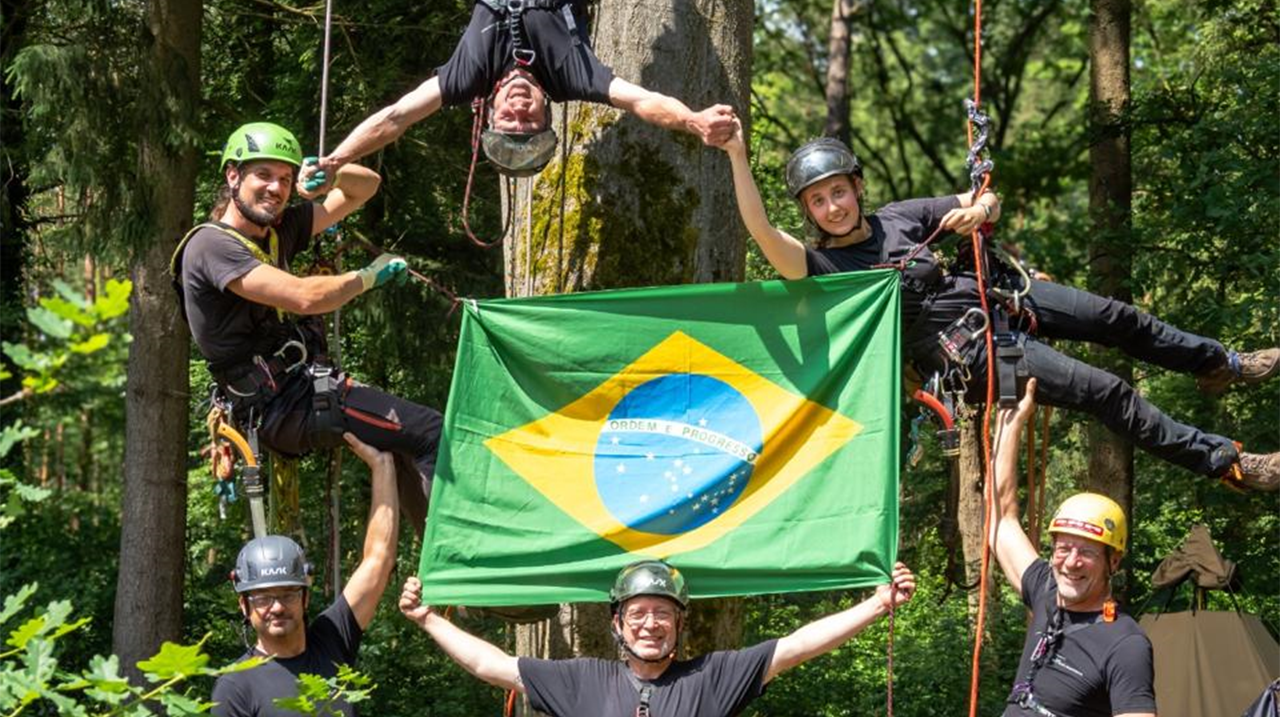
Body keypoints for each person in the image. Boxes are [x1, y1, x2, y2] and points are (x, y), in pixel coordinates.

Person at [716, 122, 1280, 490]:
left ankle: (1218, 363)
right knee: (1107, 391)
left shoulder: (900, 218)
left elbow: (987, 195)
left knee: (1118, 317)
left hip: (1003, 293)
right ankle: (1225, 461)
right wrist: (738, 154)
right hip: (975, 353)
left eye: (837, 191)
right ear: (809, 213)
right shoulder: (822, 270)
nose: (831, 206)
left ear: (857, 187)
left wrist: (978, 214)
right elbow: (760, 231)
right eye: (817, 201)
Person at [172, 122, 442, 532]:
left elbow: (364, 188)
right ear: (233, 176)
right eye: (263, 175)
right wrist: (369, 275)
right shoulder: (211, 247)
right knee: (430, 432)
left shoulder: (278, 230)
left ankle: (443, 574)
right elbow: (305, 297)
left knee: (402, 444)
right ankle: (463, 570)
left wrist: (331, 171)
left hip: (296, 391)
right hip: (279, 405)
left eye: (284, 178)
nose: (276, 189)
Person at [397, 559, 915, 716]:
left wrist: (875, 604)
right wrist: (428, 620)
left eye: (662, 614)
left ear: (679, 624)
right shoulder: (582, 680)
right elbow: (494, 666)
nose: (650, 623)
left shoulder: (714, 678)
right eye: (639, 613)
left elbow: (801, 644)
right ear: (618, 624)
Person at [311, 0, 736, 179]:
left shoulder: (466, 79)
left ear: (489, 113)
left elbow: (396, 117)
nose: (518, 111)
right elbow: (642, 101)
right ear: (546, 114)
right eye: (528, 122)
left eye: (508, 121)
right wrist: (692, 121)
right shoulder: (572, 77)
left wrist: (337, 158)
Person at [991, 379, 1157, 717]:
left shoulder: (1125, 644)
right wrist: (1011, 423)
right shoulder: (1045, 590)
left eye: (1088, 553)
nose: (1071, 563)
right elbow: (1000, 519)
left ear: (1114, 561)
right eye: (1063, 548)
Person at [212, 432, 399, 717]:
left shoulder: (332, 641)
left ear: (305, 597)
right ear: (244, 605)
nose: (276, 607)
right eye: (262, 597)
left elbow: (378, 561)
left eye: (287, 594)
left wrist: (382, 465)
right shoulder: (236, 686)